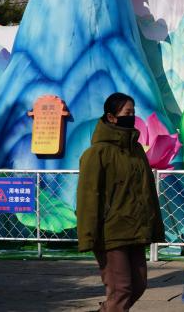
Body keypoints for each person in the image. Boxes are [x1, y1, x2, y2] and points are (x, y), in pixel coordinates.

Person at [77, 92, 165, 312]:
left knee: (139, 285)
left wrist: (154, 226)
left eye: (133, 112)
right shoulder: (96, 154)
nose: (132, 116)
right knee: (121, 290)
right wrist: (88, 237)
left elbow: (147, 191)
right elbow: (88, 197)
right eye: (127, 112)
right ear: (111, 117)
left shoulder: (136, 150)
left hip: (135, 230)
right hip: (110, 233)